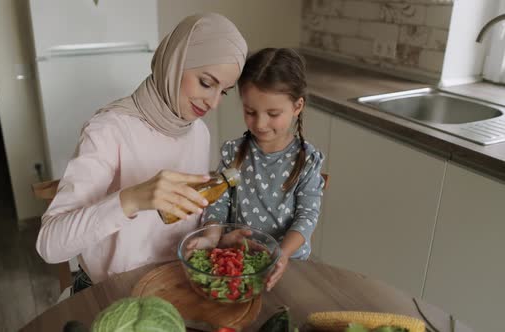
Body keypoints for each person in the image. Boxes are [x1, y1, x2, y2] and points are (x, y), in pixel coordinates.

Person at [35, 13, 248, 294]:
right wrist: (131, 199)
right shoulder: (108, 130)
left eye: (224, 92)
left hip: (178, 287)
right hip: (111, 292)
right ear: (175, 62)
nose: (213, 102)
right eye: (206, 83)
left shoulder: (198, 132)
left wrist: (213, 235)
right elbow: (50, 245)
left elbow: (191, 216)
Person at [198, 48, 325, 291]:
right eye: (250, 112)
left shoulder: (308, 160)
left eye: (273, 114)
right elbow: (217, 202)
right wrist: (211, 237)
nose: (260, 123)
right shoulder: (232, 153)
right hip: (237, 260)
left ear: (297, 106)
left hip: (288, 264)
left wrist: (282, 252)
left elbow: (307, 216)